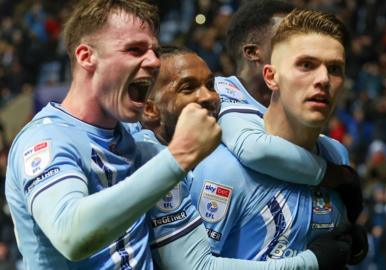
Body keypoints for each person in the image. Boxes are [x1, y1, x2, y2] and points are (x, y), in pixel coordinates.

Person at [4, 1, 221, 269]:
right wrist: (180, 155)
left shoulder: (135, 141)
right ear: (86, 57)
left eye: (153, 50)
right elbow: (71, 236)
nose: (154, 61)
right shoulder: (45, 140)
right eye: (134, 49)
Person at [137, 44, 353, 269]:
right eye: (188, 88)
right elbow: (193, 267)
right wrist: (311, 262)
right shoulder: (149, 155)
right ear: (150, 110)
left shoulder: (221, 129)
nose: (209, 96)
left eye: (210, 85)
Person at [190, 8, 367, 265]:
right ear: (271, 77)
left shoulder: (336, 154)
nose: (323, 80)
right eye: (306, 65)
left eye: (335, 69)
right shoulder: (224, 168)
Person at [216, 0, 363, 225]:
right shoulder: (219, 94)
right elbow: (254, 148)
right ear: (254, 53)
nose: (296, 36)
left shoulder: (332, 150)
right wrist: (336, 176)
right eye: (282, 33)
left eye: (334, 69)